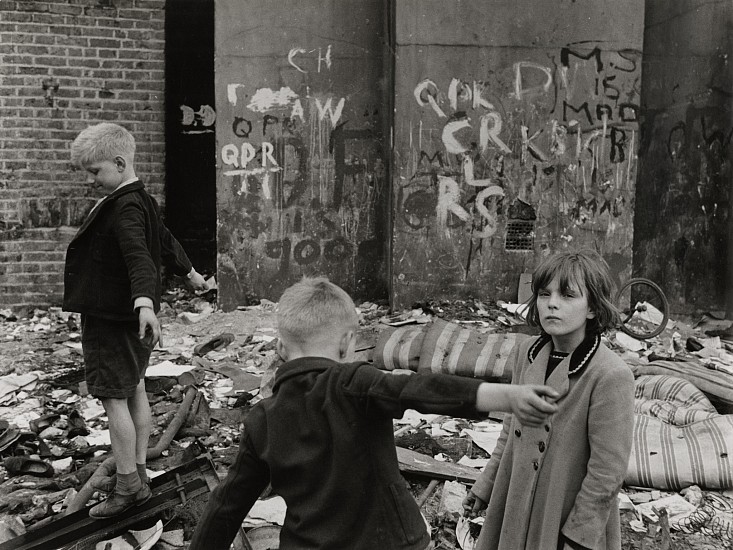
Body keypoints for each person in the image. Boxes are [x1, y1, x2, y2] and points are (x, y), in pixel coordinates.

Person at [190, 277, 559, 550]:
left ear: (281, 347)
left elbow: (227, 504)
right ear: (349, 342)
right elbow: (417, 388)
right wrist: (507, 395)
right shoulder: (354, 382)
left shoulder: (262, 419)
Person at [63, 122, 208, 519]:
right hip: (130, 318)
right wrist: (191, 273)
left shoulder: (123, 205)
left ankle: (128, 486)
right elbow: (162, 239)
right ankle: (138, 470)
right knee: (135, 390)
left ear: (120, 161)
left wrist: (145, 300)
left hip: (113, 318)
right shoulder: (140, 198)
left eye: (95, 172)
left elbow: (138, 255)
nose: (91, 181)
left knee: (114, 399)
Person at [462, 250, 635, 550]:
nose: (552, 303)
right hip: (515, 502)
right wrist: (486, 487)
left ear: (592, 308)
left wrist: (579, 537)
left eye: (568, 295)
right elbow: (509, 432)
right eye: (544, 294)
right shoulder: (526, 352)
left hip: (562, 512)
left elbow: (607, 472)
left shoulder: (609, 375)